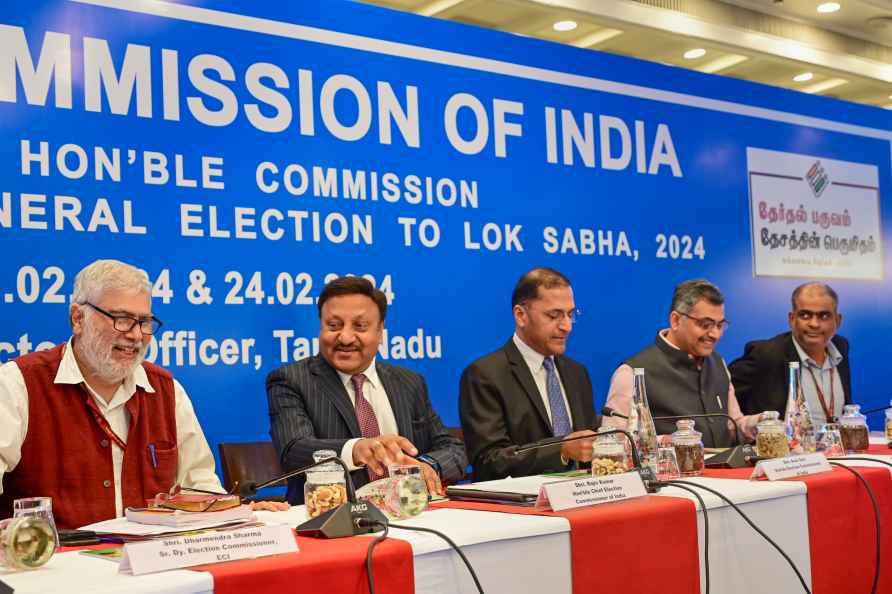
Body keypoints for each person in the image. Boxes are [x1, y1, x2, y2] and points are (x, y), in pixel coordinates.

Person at [0, 259, 284, 530]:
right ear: (78, 318)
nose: (136, 335)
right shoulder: (18, 384)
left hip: (154, 568)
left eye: (145, 322)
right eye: (122, 319)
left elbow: (198, 483)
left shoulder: (165, 390)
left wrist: (234, 513)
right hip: (51, 569)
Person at [267, 276, 466, 504]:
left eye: (360, 326)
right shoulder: (290, 380)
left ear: (380, 331)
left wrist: (427, 465)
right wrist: (356, 449)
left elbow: (453, 448)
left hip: (409, 511)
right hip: (333, 521)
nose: (346, 337)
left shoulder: (409, 382)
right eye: (334, 325)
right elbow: (293, 451)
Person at [459, 268, 598, 482]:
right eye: (554, 315)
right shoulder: (485, 375)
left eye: (570, 315)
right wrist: (560, 450)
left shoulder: (577, 373)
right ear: (520, 315)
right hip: (522, 509)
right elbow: (488, 461)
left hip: (582, 498)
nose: (566, 326)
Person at [603, 279, 764, 447]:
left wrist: (759, 423)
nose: (715, 334)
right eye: (706, 324)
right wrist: (663, 442)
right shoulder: (631, 372)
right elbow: (613, 442)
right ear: (676, 320)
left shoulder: (718, 363)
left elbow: (732, 426)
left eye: (720, 325)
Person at [730, 283, 851, 425]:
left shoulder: (840, 348)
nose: (814, 324)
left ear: (837, 321)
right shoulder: (766, 354)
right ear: (792, 319)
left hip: (834, 445)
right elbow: (721, 392)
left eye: (824, 316)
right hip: (782, 446)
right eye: (805, 315)